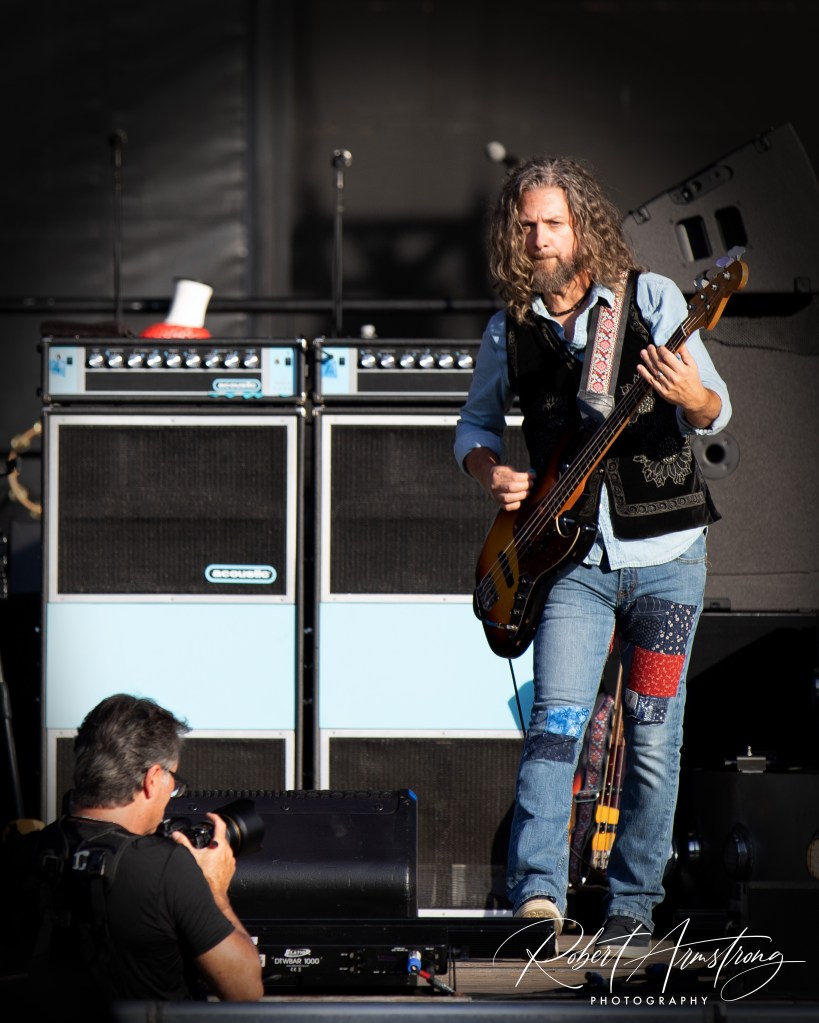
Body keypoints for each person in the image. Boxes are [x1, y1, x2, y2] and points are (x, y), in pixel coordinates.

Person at [454, 156, 732, 951]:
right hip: (569, 566)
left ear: (581, 226)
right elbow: (472, 427)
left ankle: (632, 906)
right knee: (555, 726)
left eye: (553, 222)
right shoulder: (509, 327)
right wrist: (490, 471)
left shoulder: (651, 299)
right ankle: (537, 896)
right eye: (526, 225)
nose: (539, 238)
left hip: (668, 558)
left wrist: (687, 394)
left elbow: (716, 411)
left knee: (652, 736)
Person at [4, 693, 263, 1011]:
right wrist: (215, 889)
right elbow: (245, 990)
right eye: (172, 780)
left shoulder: (22, 854)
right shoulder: (166, 867)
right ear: (152, 779)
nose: (171, 791)